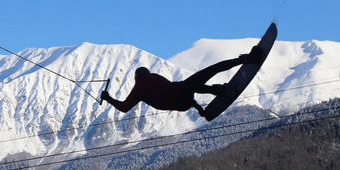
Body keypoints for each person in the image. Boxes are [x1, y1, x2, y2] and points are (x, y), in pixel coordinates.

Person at [100, 46, 264, 118]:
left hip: (180, 102)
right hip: (181, 96)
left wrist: (108, 99)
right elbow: (178, 92)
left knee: (192, 84)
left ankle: (219, 90)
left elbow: (124, 108)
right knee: (210, 71)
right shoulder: (150, 80)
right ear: (145, 73)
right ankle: (245, 60)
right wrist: (200, 108)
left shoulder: (138, 89)